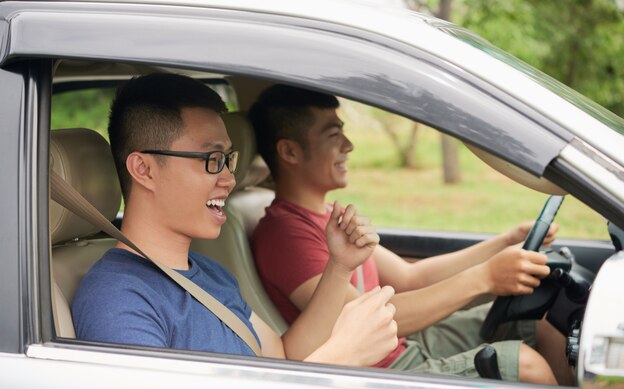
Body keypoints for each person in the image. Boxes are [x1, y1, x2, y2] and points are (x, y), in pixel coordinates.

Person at [249, 84, 574, 385]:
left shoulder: (327, 216)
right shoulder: (286, 235)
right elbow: (367, 320)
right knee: (523, 364)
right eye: (334, 136)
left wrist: (502, 243)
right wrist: (484, 278)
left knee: (539, 315)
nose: (349, 145)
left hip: (402, 344)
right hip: (381, 369)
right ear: (289, 152)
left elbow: (410, 277)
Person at [72, 73, 399, 367]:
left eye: (228, 159)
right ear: (144, 170)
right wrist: (343, 356)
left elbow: (283, 356)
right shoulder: (118, 299)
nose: (228, 178)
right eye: (212, 159)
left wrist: (339, 266)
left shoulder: (209, 274)